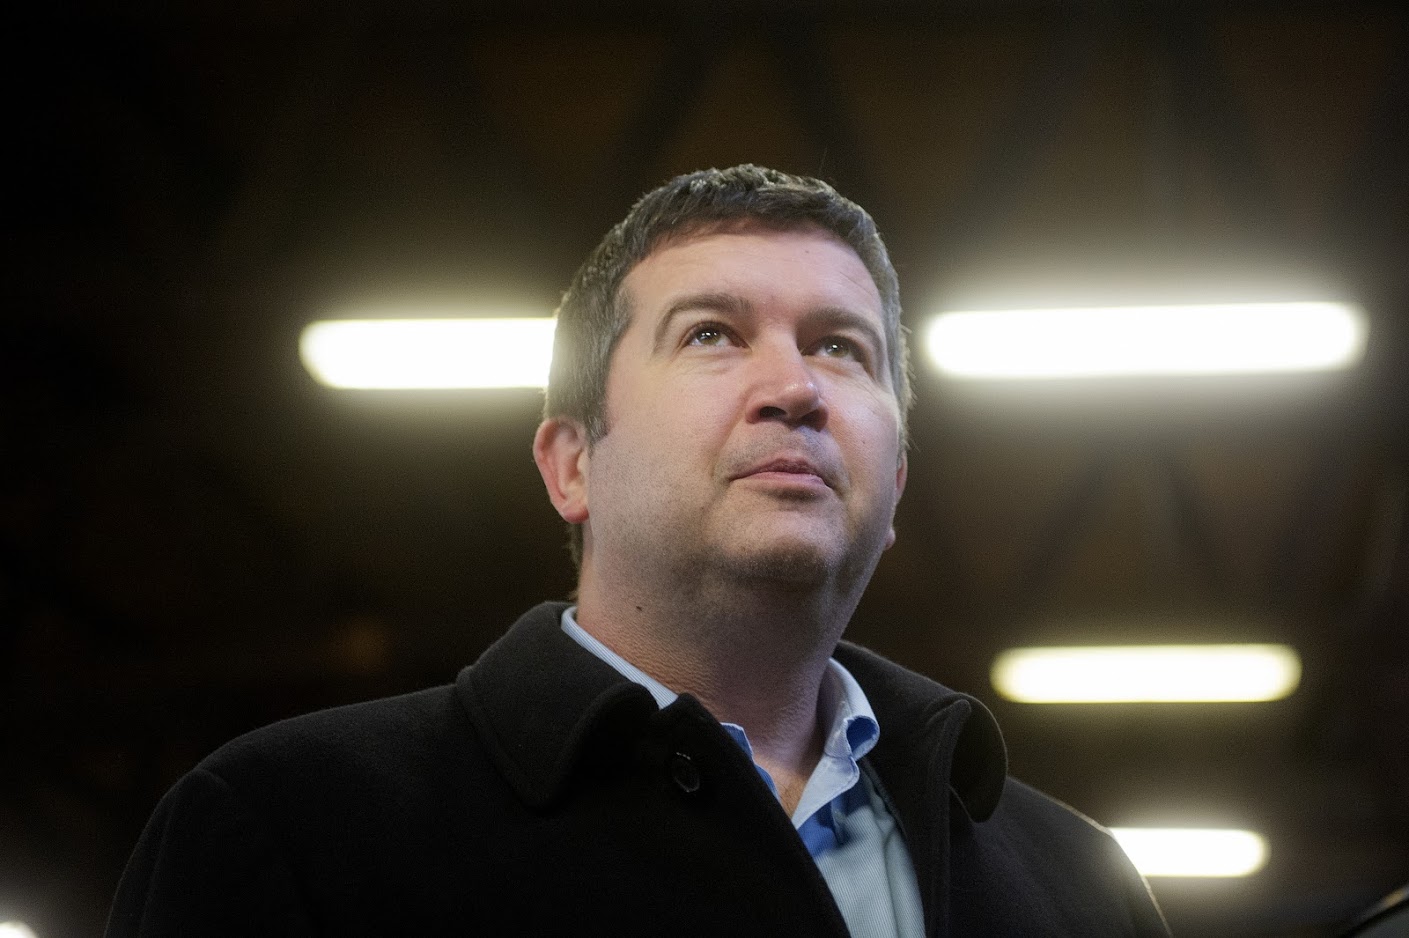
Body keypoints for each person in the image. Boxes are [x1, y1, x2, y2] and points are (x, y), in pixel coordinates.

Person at [107, 165, 1169, 937]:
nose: (794, 386)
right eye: (711, 333)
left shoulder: (1081, 886)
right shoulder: (293, 828)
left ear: (893, 487)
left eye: (841, 347)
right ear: (572, 465)